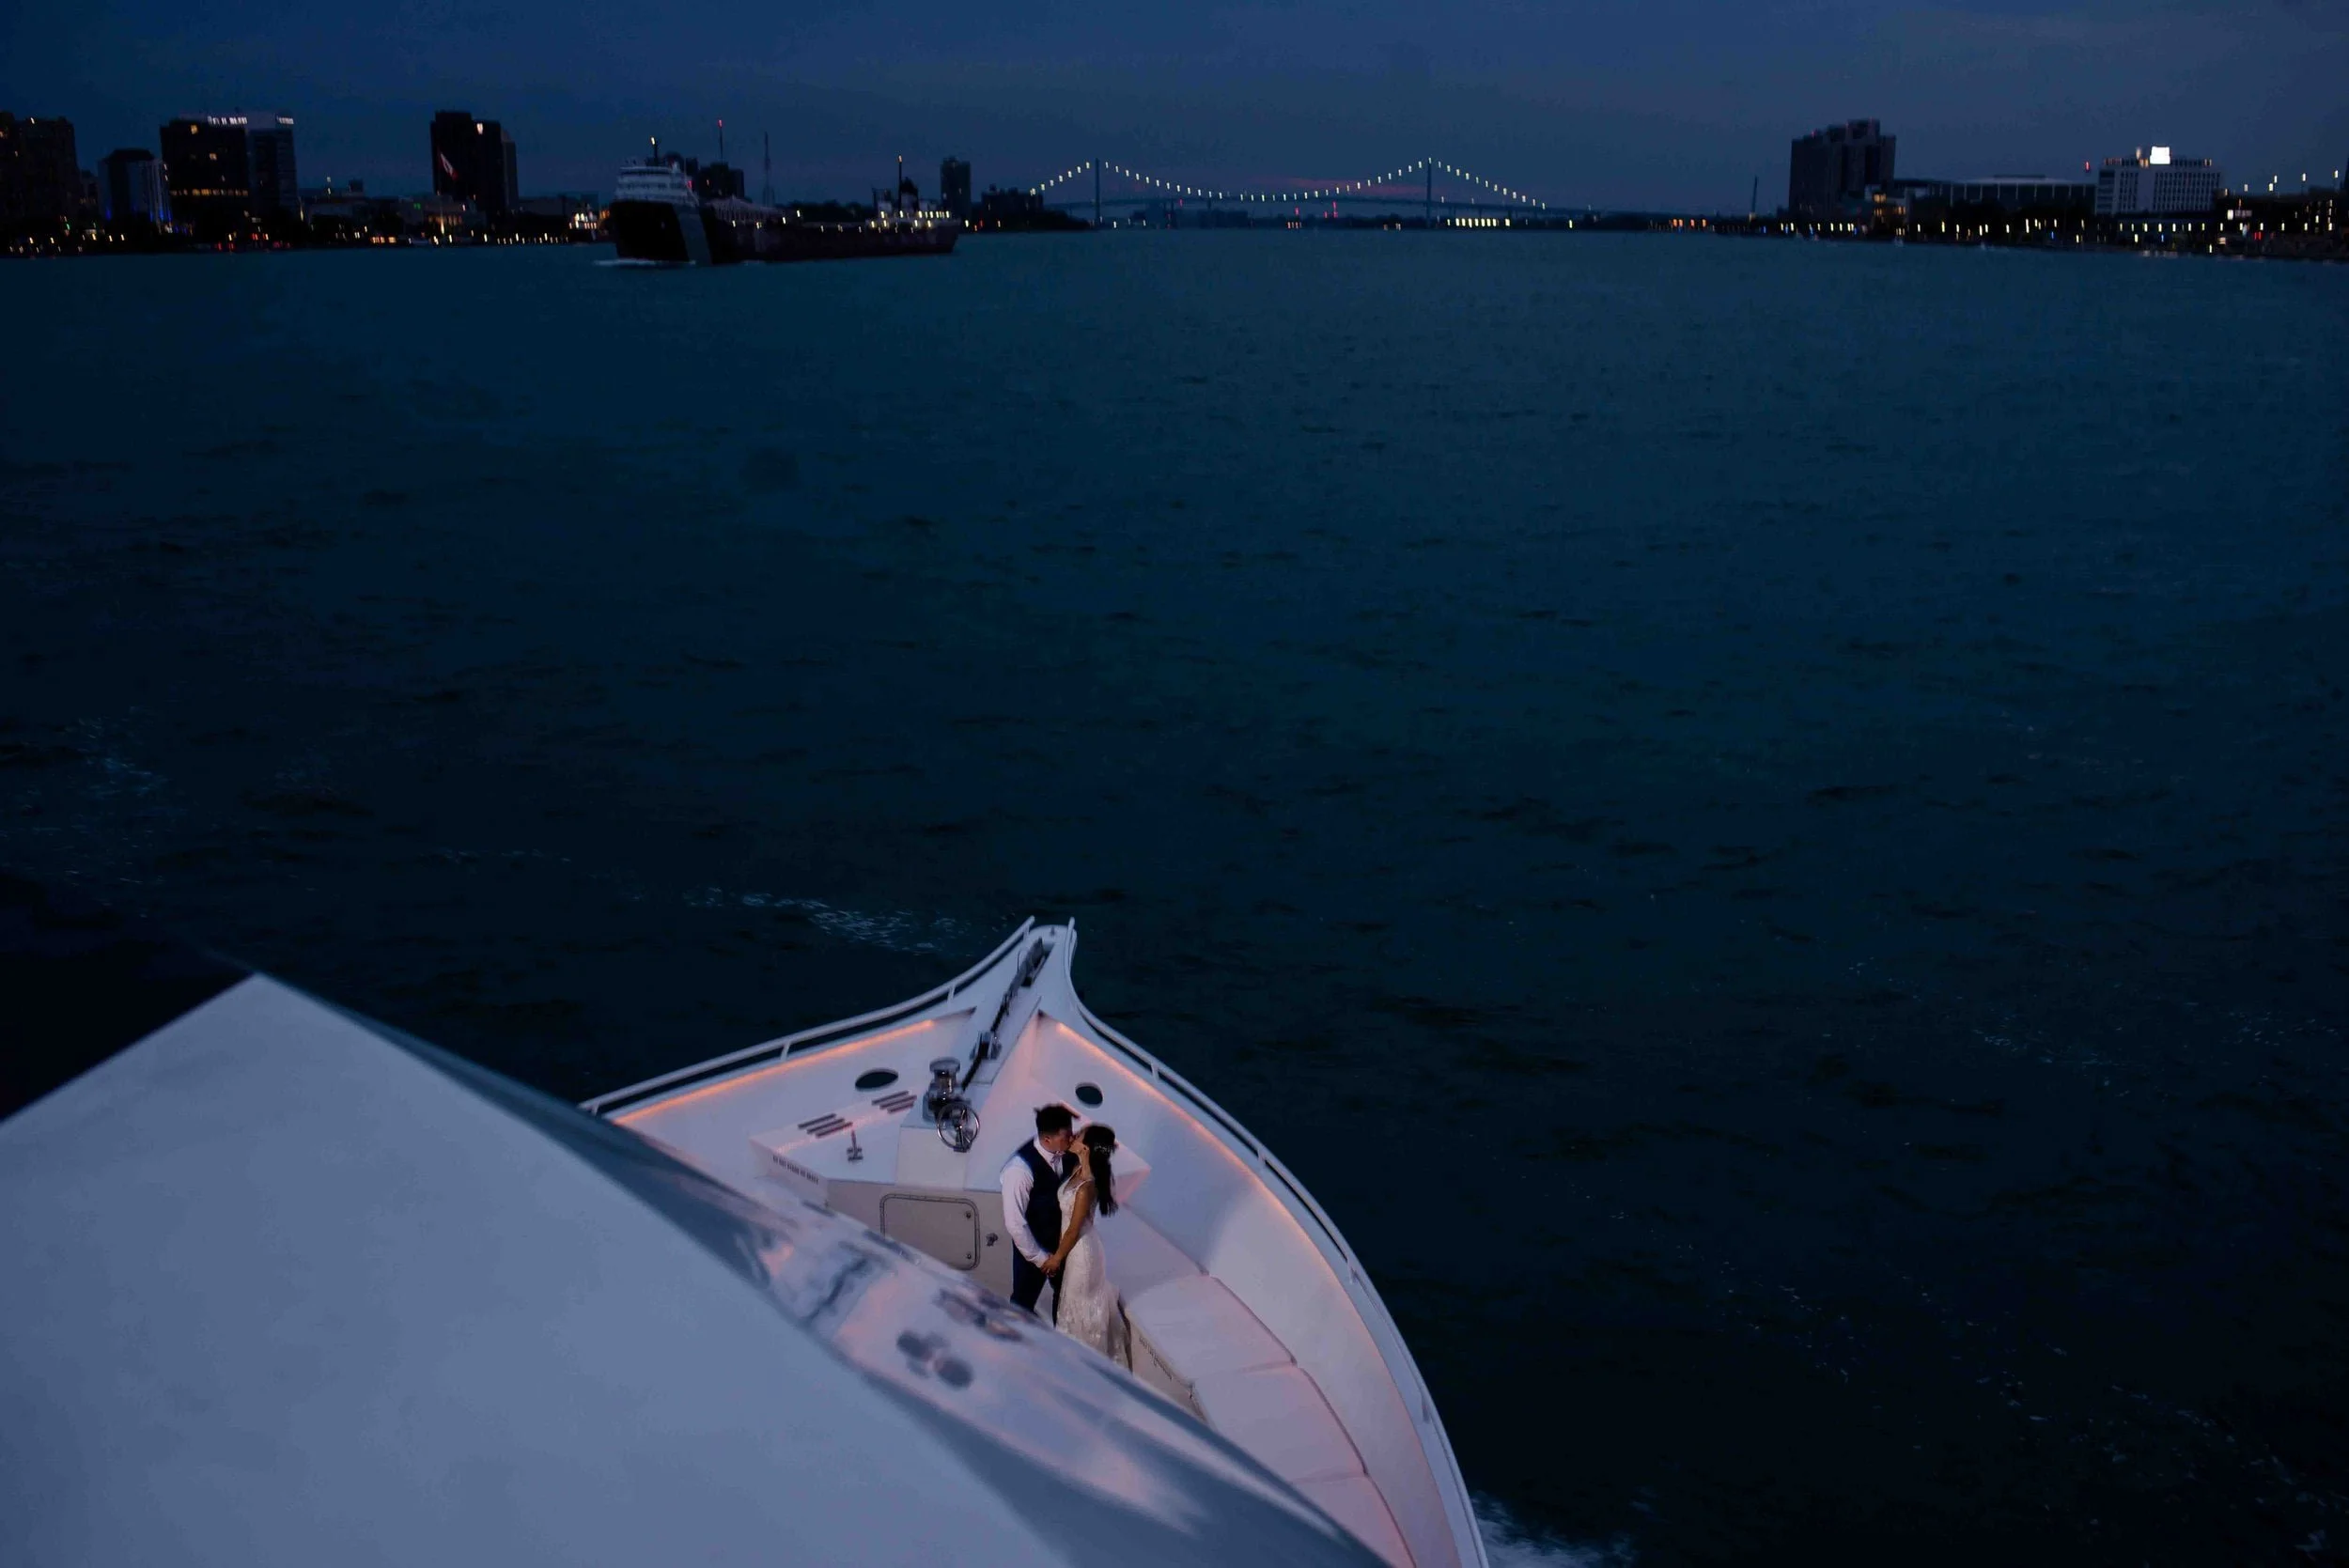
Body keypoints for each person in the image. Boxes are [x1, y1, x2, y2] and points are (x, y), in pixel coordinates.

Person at [1040, 1124, 1128, 1365]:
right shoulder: (1077, 1169)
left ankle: (1085, 1363)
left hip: (1083, 1253)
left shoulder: (1087, 1186)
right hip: (1077, 1247)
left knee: (1080, 1307)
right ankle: (1072, 1360)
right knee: (1071, 1304)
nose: (1073, 1136)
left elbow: (1073, 1230)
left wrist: (1056, 1258)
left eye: (1079, 1136)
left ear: (1086, 1148)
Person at [999, 1103, 1077, 1320]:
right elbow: (1015, 1223)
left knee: (1064, 1297)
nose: (1071, 1140)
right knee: (1022, 1303)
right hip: (1033, 1246)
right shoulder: (1019, 1170)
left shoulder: (1069, 1153)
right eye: (1066, 1136)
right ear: (1047, 1139)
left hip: (1063, 1243)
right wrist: (1041, 1258)